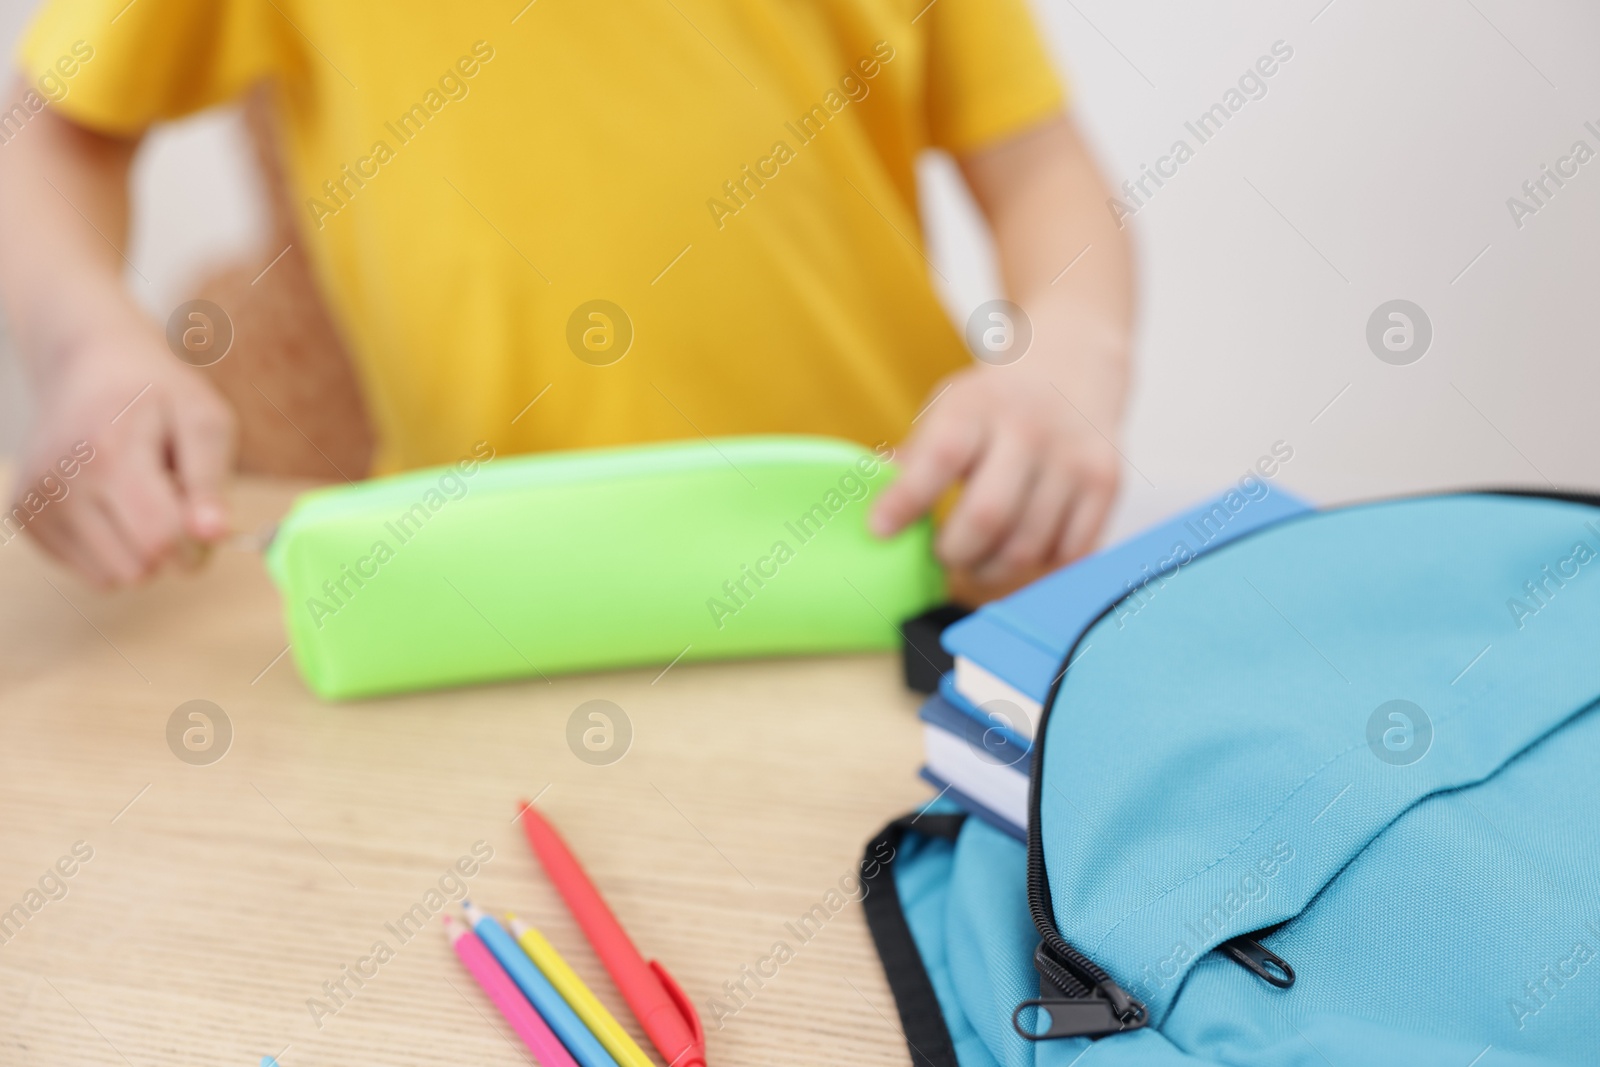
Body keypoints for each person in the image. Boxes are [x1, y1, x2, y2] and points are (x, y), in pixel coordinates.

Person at [0, 0, 1133, 596]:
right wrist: (85, 346)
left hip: (896, 559)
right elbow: (53, 130)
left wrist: (1066, 357)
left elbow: (1038, 168)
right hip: (478, 591)